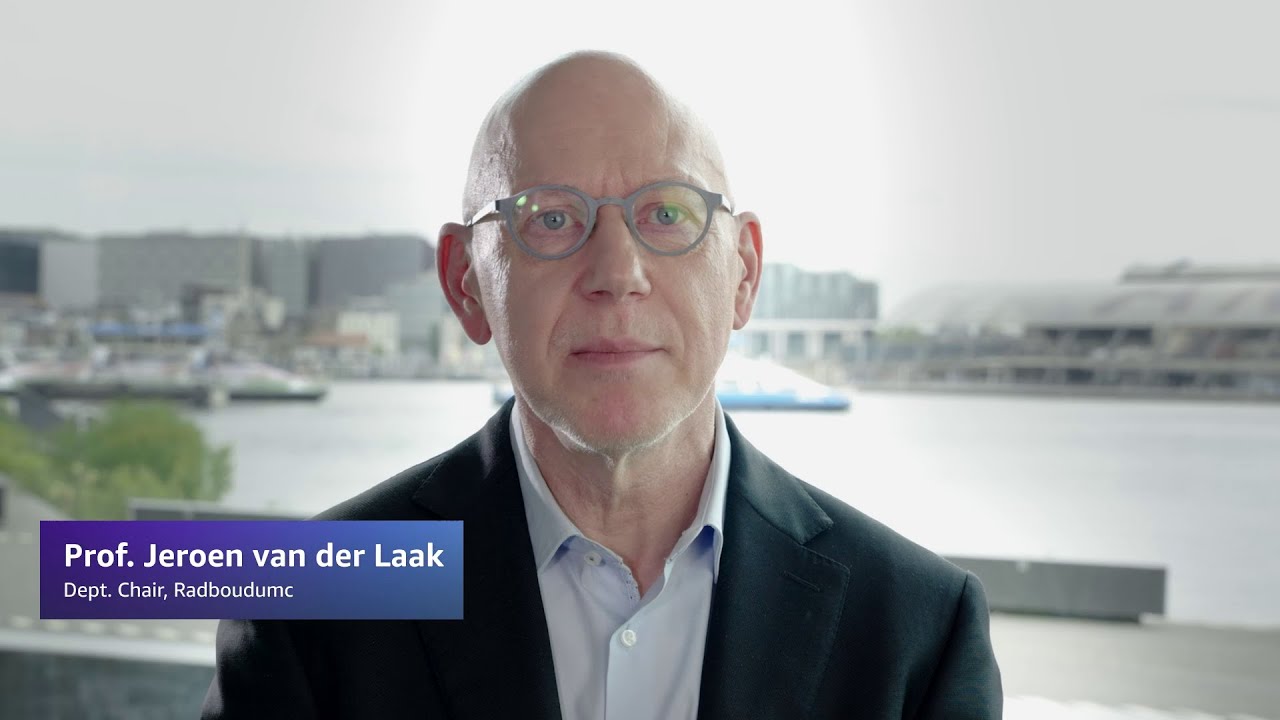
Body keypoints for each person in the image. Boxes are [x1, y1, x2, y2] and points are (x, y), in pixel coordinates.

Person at [203, 51, 1002, 719]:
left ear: (744, 275)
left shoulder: (916, 629)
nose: (618, 275)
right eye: (549, 218)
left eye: (665, 214)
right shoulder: (312, 608)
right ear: (466, 284)